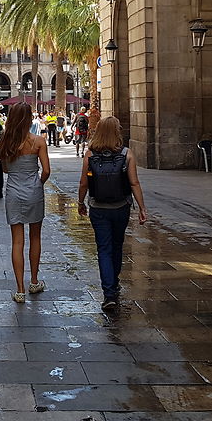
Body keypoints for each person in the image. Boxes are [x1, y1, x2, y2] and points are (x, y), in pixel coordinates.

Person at [78, 116, 148, 311]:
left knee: (104, 249)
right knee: (117, 246)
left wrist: (80, 202)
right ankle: (114, 284)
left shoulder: (90, 154)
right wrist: (142, 207)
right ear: (117, 131)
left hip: (98, 208)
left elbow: (84, 183)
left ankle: (108, 293)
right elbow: (134, 183)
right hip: (121, 207)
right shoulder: (127, 154)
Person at [0, 102, 50, 303]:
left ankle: (19, 290)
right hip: (34, 190)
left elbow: (5, 170)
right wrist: (38, 183)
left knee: (17, 241)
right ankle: (34, 282)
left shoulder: (5, 142)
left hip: (13, 192)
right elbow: (46, 170)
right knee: (35, 237)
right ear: (28, 119)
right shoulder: (38, 141)